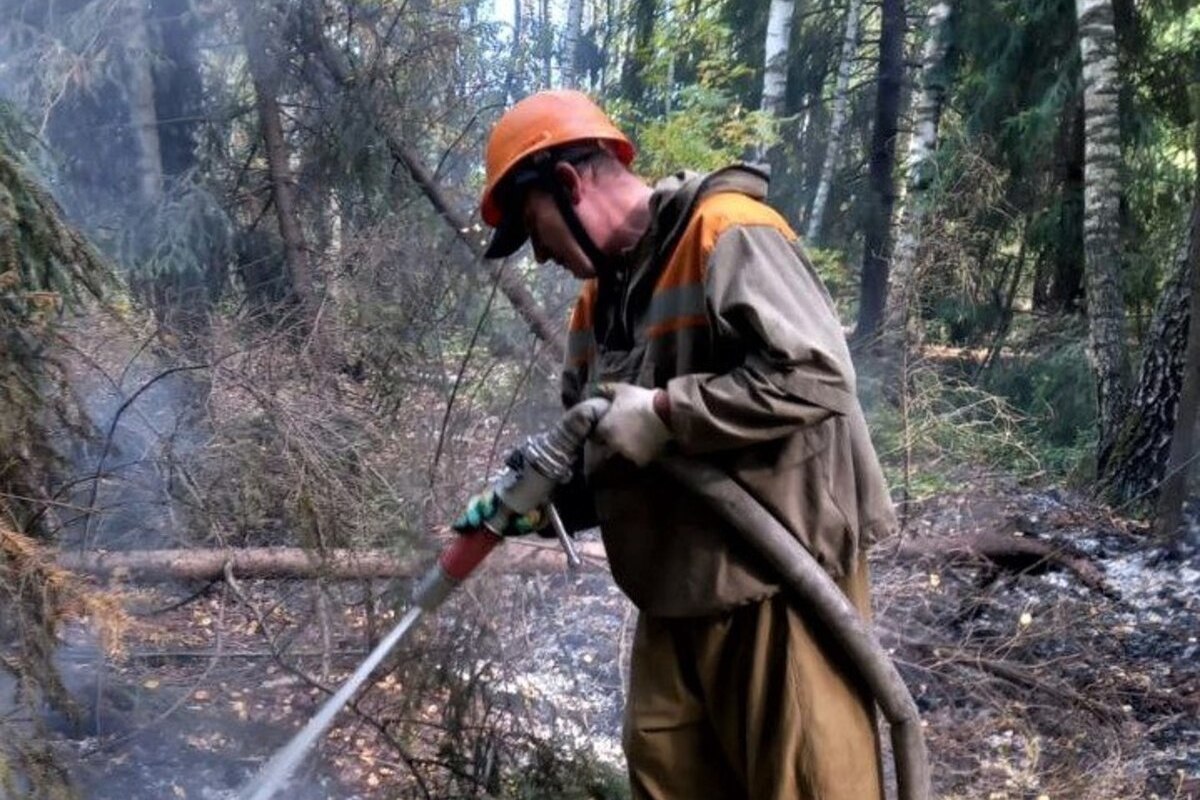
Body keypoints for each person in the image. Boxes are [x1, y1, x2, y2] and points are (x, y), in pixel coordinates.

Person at [462, 89, 895, 800]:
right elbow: (603, 453)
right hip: (673, 598)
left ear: (570, 183)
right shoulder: (595, 306)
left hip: (782, 597)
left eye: (534, 227)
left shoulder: (728, 233)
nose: (539, 254)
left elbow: (819, 375)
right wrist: (531, 504)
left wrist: (665, 412)